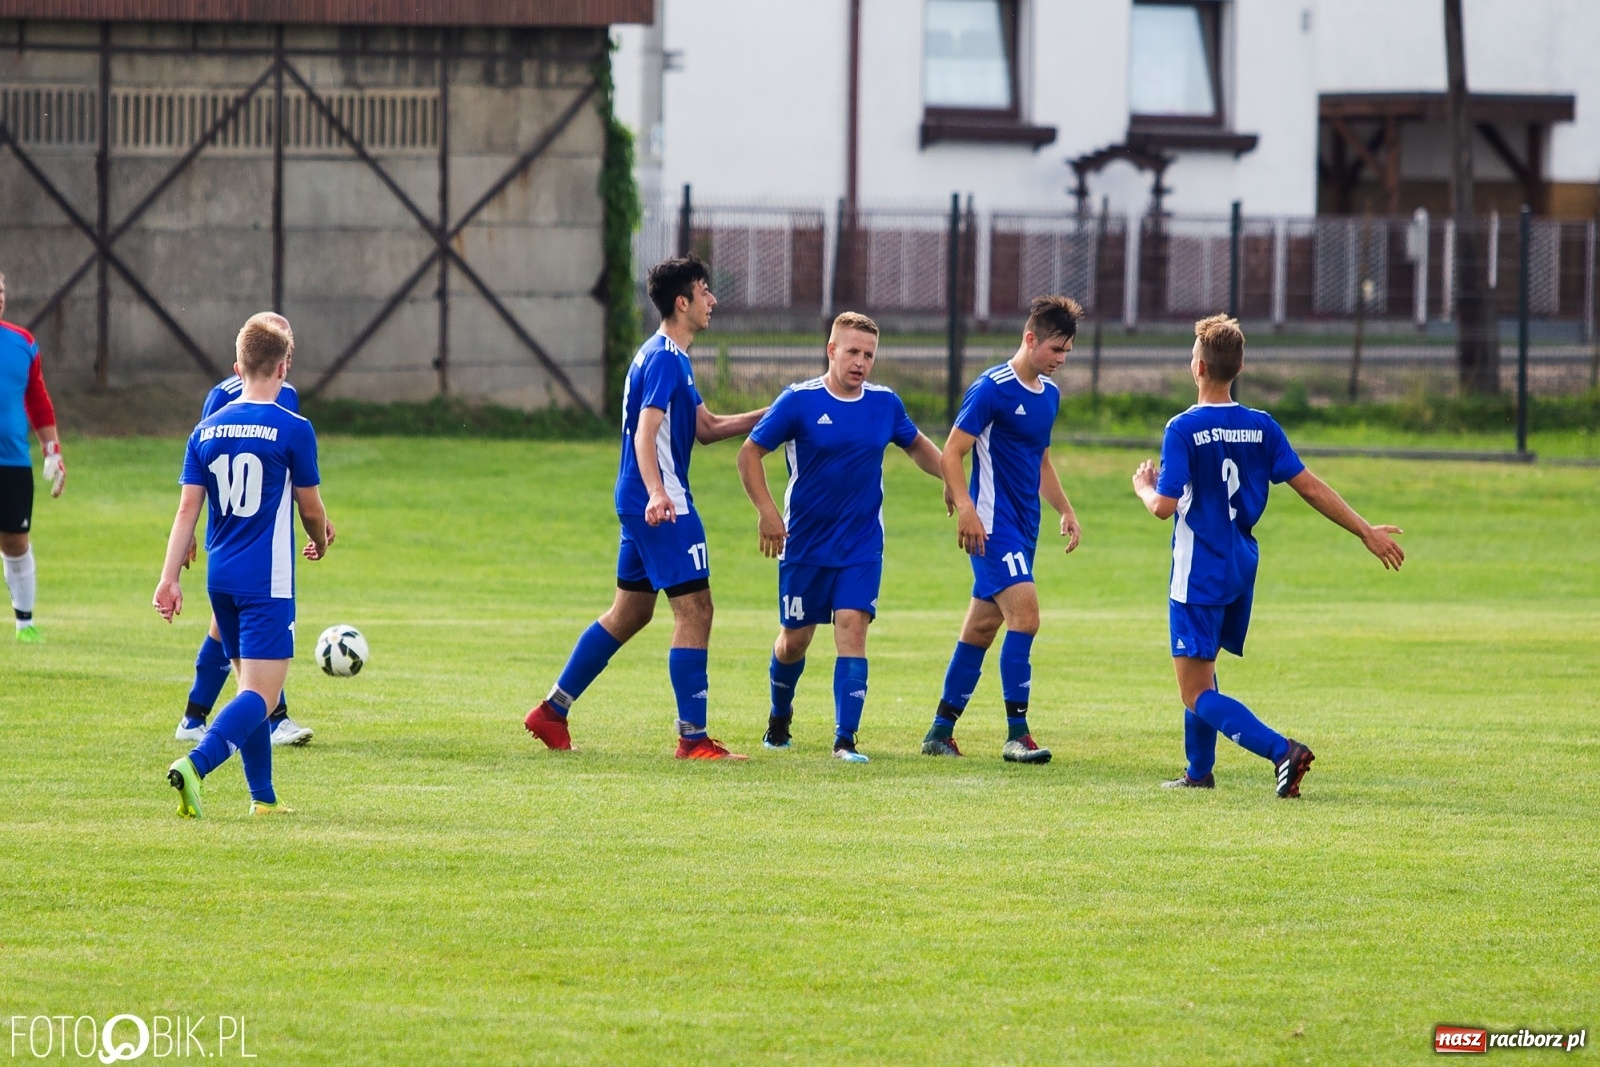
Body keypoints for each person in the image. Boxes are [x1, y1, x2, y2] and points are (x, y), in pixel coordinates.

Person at [1131, 314, 1404, 797]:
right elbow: (1311, 488)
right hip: (1239, 567)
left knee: (1194, 691)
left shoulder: (1183, 429)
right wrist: (1364, 531)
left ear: (1198, 367)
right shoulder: (1262, 427)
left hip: (1198, 571)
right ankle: (1198, 773)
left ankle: (1282, 751)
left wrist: (1144, 489)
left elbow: (1164, 508)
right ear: (1239, 367)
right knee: (1204, 666)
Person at [523, 255, 766, 759]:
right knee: (696, 609)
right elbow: (645, 432)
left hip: (639, 502)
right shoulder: (663, 358)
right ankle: (693, 739)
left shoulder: (667, 355)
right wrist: (658, 493)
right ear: (683, 302)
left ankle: (552, 711)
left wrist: (775, 411)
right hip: (662, 504)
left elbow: (707, 428)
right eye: (704, 291)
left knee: (630, 612)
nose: (712, 300)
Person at [736, 312, 944, 762]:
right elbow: (749, 453)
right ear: (831, 351)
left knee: (852, 629)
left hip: (861, 545)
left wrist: (952, 479)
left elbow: (918, 445)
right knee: (795, 640)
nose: (861, 362)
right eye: (852, 351)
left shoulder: (885, 404)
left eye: (869, 355)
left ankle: (845, 740)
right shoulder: (798, 401)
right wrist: (767, 513)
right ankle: (779, 719)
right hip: (805, 546)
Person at [155, 313, 333, 817]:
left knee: (248, 688)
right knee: (261, 694)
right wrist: (319, 540)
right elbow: (311, 508)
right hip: (267, 581)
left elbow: (187, 509)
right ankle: (196, 762)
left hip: (221, 579)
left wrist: (169, 578)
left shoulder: (206, 429)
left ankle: (264, 799)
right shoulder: (293, 427)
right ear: (284, 367)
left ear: (238, 365)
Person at [922, 296, 1083, 763]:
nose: (1061, 359)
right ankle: (1017, 734)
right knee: (1026, 617)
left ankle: (939, 731)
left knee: (981, 628)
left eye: (1067, 352)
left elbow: (1041, 462)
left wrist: (1065, 509)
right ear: (1030, 339)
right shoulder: (990, 388)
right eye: (1056, 349)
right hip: (992, 527)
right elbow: (952, 452)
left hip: (1024, 528)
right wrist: (966, 507)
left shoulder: (1048, 397)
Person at [174, 317, 315, 747]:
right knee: (249, 632)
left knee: (230, 626)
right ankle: (261, 721)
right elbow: (207, 467)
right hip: (234, 534)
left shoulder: (286, 398)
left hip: (258, 533)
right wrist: (192, 532)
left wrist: (314, 516)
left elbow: (281, 468)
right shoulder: (220, 398)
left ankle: (198, 718)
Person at [0, 271, 66, 643]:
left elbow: (37, 401)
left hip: (11, 463)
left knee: (15, 540)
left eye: (2, 290)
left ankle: (25, 624)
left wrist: (52, 451)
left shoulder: (22, 343)